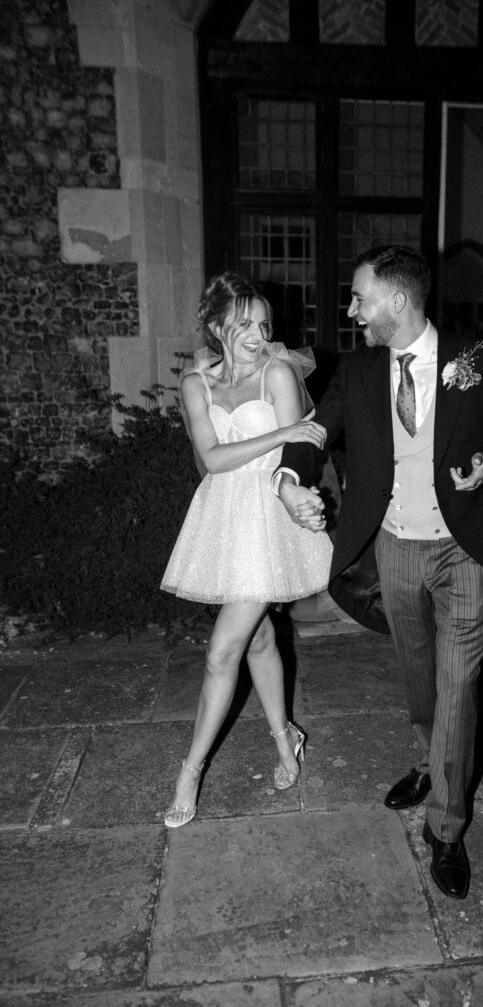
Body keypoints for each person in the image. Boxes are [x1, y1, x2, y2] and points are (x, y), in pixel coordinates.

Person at [275, 246, 483, 899]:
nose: (351, 310)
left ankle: (446, 827)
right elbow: (313, 430)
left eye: (359, 297)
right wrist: (288, 479)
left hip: (466, 550)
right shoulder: (360, 370)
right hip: (393, 550)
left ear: (397, 300)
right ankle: (429, 758)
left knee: (459, 686)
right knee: (419, 680)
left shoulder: (475, 360)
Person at [160, 272, 332, 828]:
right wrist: (281, 433)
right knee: (257, 637)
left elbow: (299, 458)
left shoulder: (277, 374)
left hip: (268, 518)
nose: (258, 336)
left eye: (263, 324)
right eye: (244, 325)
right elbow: (212, 458)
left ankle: (190, 771)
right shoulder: (195, 383)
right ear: (216, 327)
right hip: (223, 518)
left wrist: (289, 445)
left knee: (221, 652)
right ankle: (286, 738)